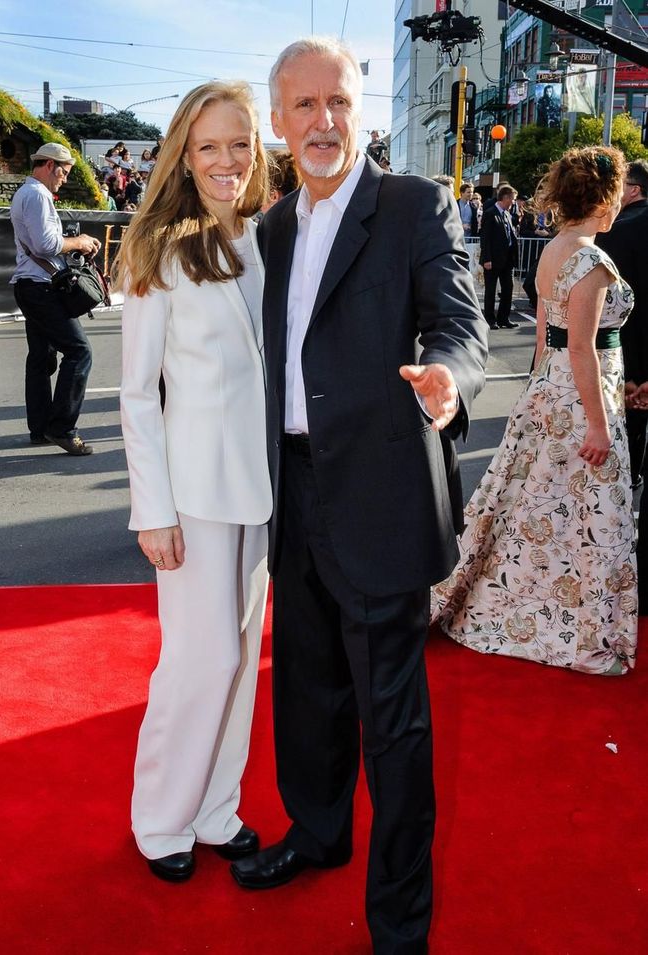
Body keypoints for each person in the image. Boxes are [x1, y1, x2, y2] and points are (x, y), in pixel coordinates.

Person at [229, 36, 488, 954]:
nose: (323, 122)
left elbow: (460, 322)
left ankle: (400, 921)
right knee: (306, 688)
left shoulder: (416, 203)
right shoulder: (270, 229)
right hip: (291, 489)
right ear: (279, 121)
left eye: (337, 101)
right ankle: (319, 831)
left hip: (379, 486)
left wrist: (450, 381)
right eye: (303, 107)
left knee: (394, 720)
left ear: (360, 107)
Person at [116, 81, 272, 884]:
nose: (227, 160)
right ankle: (161, 818)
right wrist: (153, 509)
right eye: (209, 145)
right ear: (184, 151)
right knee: (198, 660)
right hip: (195, 493)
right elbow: (138, 391)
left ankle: (216, 809)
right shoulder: (158, 248)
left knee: (242, 658)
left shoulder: (261, 240)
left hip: (265, 491)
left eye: (240, 142)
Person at [434, 145, 638, 674]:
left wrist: (539, 392)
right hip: (582, 395)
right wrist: (597, 422)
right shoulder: (590, 260)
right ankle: (574, 626)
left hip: (552, 387)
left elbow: (548, 338)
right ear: (606, 198)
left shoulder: (555, 249)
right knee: (588, 510)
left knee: (537, 507)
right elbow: (581, 348)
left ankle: (527, 602)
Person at [10, 142, 100, 455]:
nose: (64, 178)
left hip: (30, 285)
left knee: (40, 359)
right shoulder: (37, 194)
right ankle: (62, 428)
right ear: (50, 165)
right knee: (79, 352)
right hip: (40, 288)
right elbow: (47, 244)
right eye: (64, 171)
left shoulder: (27, 192)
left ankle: (40, 428)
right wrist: (81, 241)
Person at [596, 159, 648, 613]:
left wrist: (634, 374)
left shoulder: (617, 235)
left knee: (619, 467)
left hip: (621, 370)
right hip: (623, 370)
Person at [480, 183, 519, 329]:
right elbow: (485, 238)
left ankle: (504, 318)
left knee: (508, 288)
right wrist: (487, 258)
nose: (513, 202)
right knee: (491, 290)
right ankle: (490, 319)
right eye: (512, 199)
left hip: (507, 259)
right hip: (493, 259)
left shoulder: (507, 214)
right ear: (505, 198)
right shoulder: (490, 213)